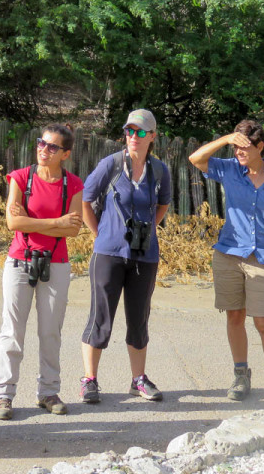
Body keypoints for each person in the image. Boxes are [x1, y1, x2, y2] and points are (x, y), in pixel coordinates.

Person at [188, 120, 264, 403]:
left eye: (245, 147)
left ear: (260, 147)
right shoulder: (229, 169)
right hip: (228, 254)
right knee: (235, 316)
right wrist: (227, 138)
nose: (239, 151)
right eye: (236, 147)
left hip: (263, 258)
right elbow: (196, 159)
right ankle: (241, 375)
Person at [0, 125, 84, 420]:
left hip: (56, 263)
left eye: (52, 147)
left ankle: (48, 391)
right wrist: (56, 222)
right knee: (12, 331)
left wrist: (37, 221)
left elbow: (74, 229)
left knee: (50, 331)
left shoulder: (73, 184)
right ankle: (3, 395)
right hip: (20, 260)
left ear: (65, 154)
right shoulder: (21, 177)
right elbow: (13, 224)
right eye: (41, 143)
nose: (44, 150)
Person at [79, 109, 172, 404]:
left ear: (152, 137)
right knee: (101, 317)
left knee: (139, 318)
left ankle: (138, 380)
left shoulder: (160, 170)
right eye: (130, 131)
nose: (134, 136)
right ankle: (90, 380)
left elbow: (163, 205)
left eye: (141, 132)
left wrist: (146, 231)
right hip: (108, 253)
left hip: (144, 255)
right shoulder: (112, 164)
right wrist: (101, 234)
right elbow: (86, 198)